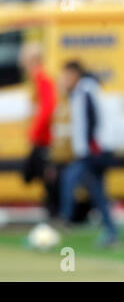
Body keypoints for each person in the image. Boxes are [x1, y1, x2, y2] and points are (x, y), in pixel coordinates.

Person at [58, 61, 119, 247]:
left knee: (69, 178)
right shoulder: (81, 92)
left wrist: (90, 148)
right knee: (98, 193)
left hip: (94, 151)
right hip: (94, 150)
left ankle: (65, 220)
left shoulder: (85, 91)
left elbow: (92, 119)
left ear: (75, 74)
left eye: (66, 76)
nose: (64, 80)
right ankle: (112, 234)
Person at [19, 43, 59, 219]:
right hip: (41, 136)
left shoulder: (42, 78)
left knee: (38, 173)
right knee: (42, 173)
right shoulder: (36, 79)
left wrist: (35, 132)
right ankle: (52, 208)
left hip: (44, 137)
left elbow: (47, 108)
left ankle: (54, 209)